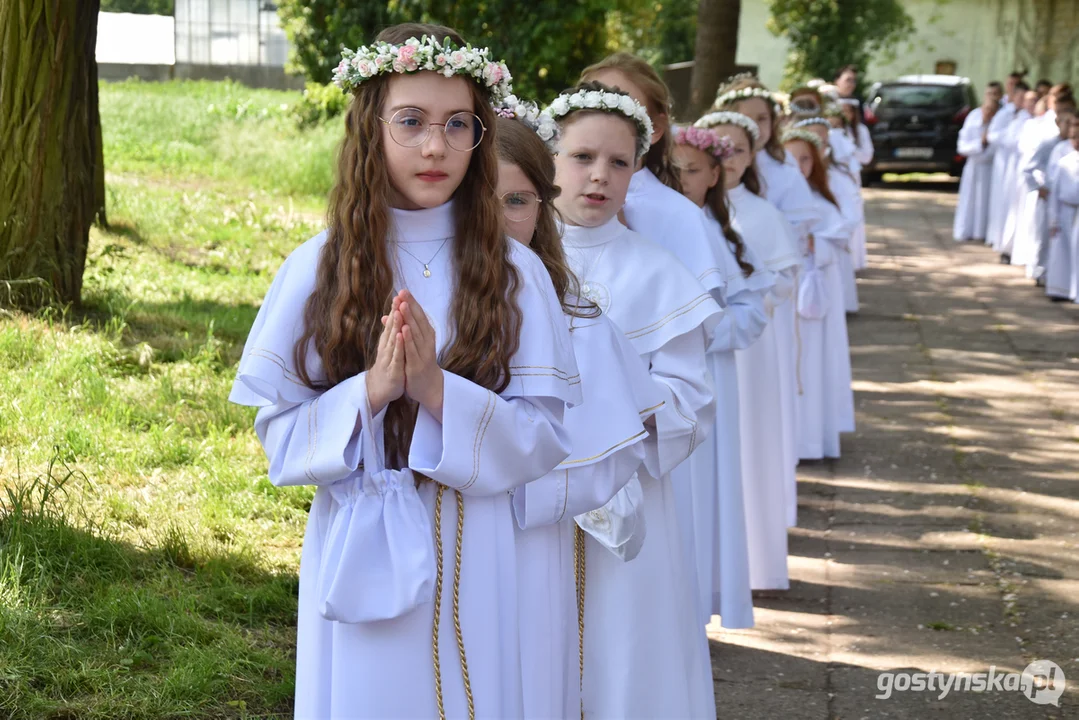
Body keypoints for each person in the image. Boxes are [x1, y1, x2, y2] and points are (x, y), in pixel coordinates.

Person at [229, 24, 585, 719]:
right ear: (370, 129)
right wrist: (373, 388)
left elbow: (542, 439)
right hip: (359, 535)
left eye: (458, 125)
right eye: (411, 122)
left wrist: (434, 389)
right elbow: (281, 437)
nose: (435, 147)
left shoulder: (517, 272)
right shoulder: (316, 266)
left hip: (480, 547)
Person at [546, 81, 721, 719]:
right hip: (531, 483)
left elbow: (690, 402)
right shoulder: (511, 262)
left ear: (638, 169)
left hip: (627, 488)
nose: (598, 177)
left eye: (618, 163)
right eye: (582, 157)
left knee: (620, 643)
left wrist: (618, 395)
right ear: (550, 161)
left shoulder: (657, 272)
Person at [494, 105, 663, 719]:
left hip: (525, 535)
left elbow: (596, 454)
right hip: (431, 540)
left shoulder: (570, 315)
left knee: (528, 679)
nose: (494, 218)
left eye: (517, 201)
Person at [671, 123, 775, 629]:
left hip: (709, 374)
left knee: (704, 487)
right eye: (672, 170)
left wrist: (702, 329)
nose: (681, 180)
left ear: (714, 175)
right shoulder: (657, 227)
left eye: (691, 170)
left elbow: (751, 312)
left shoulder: (719, 235)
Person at [783, 128, 856, 465]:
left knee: (814, 364)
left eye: (805, 159)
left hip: (816, 294)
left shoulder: (823, 200)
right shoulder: (776, 199)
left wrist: (816, 244)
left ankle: (814, 438)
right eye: (790, 158)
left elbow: (840, 233)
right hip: (786, 297)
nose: (798, 166)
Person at [1021, 94, 1077, 284]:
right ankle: (1039, 271)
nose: (1070, 128)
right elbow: (1029, 168)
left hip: (1064, 198)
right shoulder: (1048, 143)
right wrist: (1039, 187)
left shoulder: (1070, 147)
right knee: (1043, 235)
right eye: (1066, 123)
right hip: (1047, 195)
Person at [953, 82, 1002, 242]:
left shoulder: (1001, 120)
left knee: (987, 201)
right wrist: (979, 144)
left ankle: (984, 232)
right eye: (986, 109)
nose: (988, 114)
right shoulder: (973, 116)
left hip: (990, 168)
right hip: (973, 166)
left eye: (991, 111)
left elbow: (997, 147)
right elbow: (962, 146)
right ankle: (967, 230)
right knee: (970, 200)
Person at [985, 81, 1028, 250]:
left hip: (1019, 163)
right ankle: (996, 237)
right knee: (1000, 201)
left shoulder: (1027, 116)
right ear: (1013, 96)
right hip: (1003, 162)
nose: (1021, 100)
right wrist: (1008, 138)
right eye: (1019, 97)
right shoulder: (1004, 113)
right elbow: (992, 135)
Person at [999, 89, 1039, 261]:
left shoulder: (1041, 122)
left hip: (1036, 173)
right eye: (1028, 101)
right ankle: (1008, 249)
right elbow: (1010, 142)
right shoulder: (1020, 120)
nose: (1031, 104)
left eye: (1034, 100)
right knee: (1016, 211)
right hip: (1020, 170)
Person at [1045, 120, 1079, 301]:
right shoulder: (1064, 162)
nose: (1076, 141)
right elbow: (1055, 193)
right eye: (1073, 137)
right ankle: (1061, 289)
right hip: (1066, 211)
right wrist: (1053, 219)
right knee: (1062, 251)